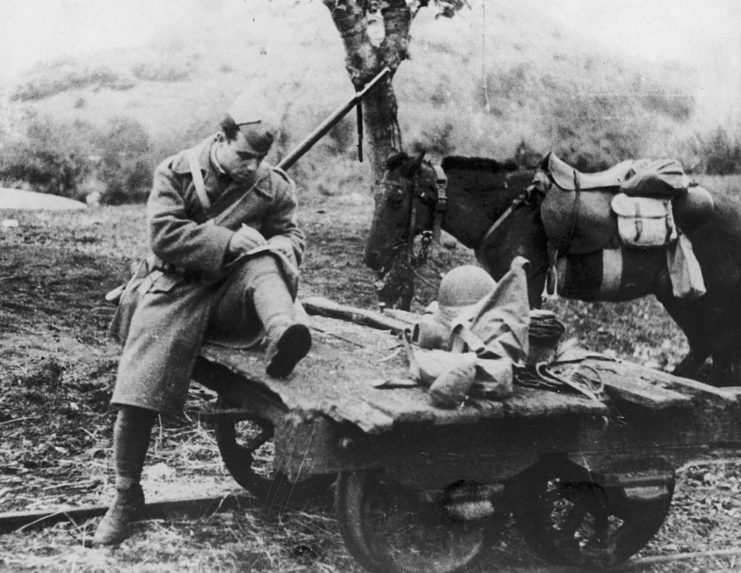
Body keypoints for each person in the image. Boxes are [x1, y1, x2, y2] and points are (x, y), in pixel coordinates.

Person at [93, 96, 311, 546]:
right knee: (136, 392)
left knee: (266, 262)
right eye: (244, 155)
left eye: (260, 159)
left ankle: (284, 335)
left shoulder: (273, 186)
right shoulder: (175, 173)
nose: (252, 167)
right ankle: (126, 495)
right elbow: (164, 236)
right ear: (220, 139)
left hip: (234, 297)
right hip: (174, 290)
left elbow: (292, 233)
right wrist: (230, 241)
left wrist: (284, 246)